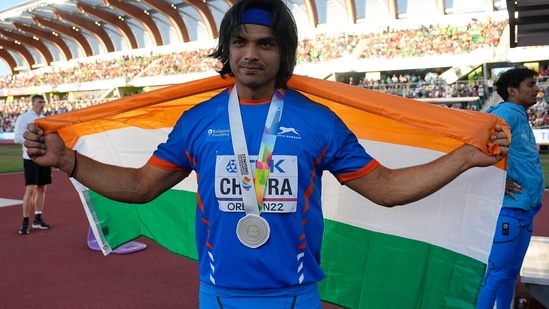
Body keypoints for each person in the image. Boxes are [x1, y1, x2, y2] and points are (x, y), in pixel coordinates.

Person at [23, 0, 509, 307]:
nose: (250, 53)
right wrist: (68, 162)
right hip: (217, 295)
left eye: (265, 43)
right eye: (240, 42)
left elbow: (385, 189)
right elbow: (140, 186)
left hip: (295, 296)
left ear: (284, 53)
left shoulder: (318, 121)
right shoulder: (200, 119)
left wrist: (464, 157)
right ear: (227, 49)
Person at [477, 67, 544, 309]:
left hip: (524, 208)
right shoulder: (507, 113)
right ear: (512, 91)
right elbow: (476, 147)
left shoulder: (517, 114)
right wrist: (495, 180)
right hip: (510, 210)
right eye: (530, 84)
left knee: (508, 273)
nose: (537, 89)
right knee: (497, 273)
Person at [13, 94, 52, 234]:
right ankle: (24, 222)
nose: (42, 104)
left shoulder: (46, 119)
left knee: (42, 188)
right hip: (30, 158)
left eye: (43, 102)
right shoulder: (23, 118)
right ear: (33, 103)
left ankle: (38, 218)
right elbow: (17, 138)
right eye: (39, 102)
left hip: (44, 157)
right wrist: (33, 141)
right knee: (31, 189)